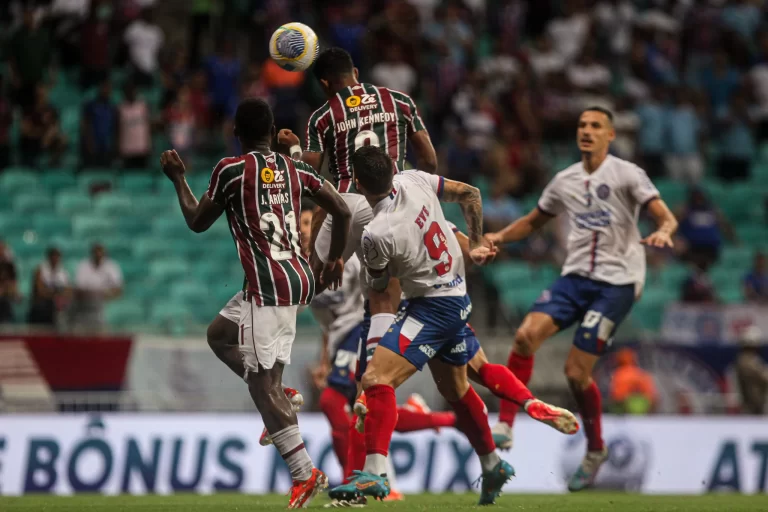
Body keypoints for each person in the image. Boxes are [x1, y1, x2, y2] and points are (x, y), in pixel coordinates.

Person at [159, 98, 352, 509]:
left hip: (268, 286)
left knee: (262, 388)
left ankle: (304, 472)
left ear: (236, 132)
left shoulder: (230, 170)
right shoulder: (295, 168)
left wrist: (177, 178)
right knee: (219, 336)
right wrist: (334, 259)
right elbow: (340, 208)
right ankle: (279, 395)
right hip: (297, 278)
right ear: (270, 129)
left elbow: (197, 221)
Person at [485, 106, 679, 492]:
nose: (586, 131)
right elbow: (532, 221)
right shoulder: (565, 180)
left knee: (575, 373)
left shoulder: (627, 174)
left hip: (617, 283)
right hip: (574, 278)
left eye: (595, 126)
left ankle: (595, 449)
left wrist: (664, 231)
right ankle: (506, 423)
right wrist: (498, 238)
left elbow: (665, 216)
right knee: (524, 337)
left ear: (610, 135)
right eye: (582, 125)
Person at [326, 146, 512, 505]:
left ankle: (375, 474)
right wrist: (474, 243)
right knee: (456, 389)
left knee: (376, 379)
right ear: (394, 167)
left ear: (360, 185)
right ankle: (492, 463)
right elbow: (470, 193)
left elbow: (380, 288)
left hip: (429, 307)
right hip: (455, 293)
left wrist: (378, 272)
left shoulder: (376, 233)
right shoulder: (414, 178)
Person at [71, 244, 123, 330]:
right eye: (96, 254)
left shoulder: (111, 266)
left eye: (100, 254)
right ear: (92, 254)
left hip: (105, 297)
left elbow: (118, 288)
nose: (98, 256)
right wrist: (92, 294)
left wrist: (105, 295)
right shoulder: (84, 265)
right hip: (87, 298)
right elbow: (78, 287)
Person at [28, 248, 71, 328]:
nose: (55, 259)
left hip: (55, 307)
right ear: (49, 258)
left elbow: (68, 292)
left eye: (57, 257)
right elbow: (40, 291)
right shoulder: (40, 270)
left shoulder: (63, 273)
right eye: (53, 257)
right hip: (41, 307)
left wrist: (50, 292)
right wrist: (56, 293)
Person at [735, 326, 768, 415]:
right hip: (751, 407)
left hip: (757, 406)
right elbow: (764, 376)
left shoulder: (752, 360)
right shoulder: (746, 361)